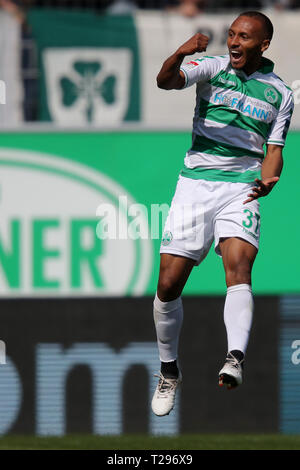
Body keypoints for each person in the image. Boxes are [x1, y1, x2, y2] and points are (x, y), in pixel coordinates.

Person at [151, 11, 294, 417]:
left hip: (241, 189)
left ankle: (235, 357)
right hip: (195, 185)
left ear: (262, 45)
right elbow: (165, 82)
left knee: (239, 266)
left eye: (244, 37)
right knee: (168, 284)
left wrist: (270, 180)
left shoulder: (281, 93)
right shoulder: (210, 67)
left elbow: (274, 152)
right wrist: (180, 52)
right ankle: (168, 371)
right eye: (231, 34)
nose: (234, 42)